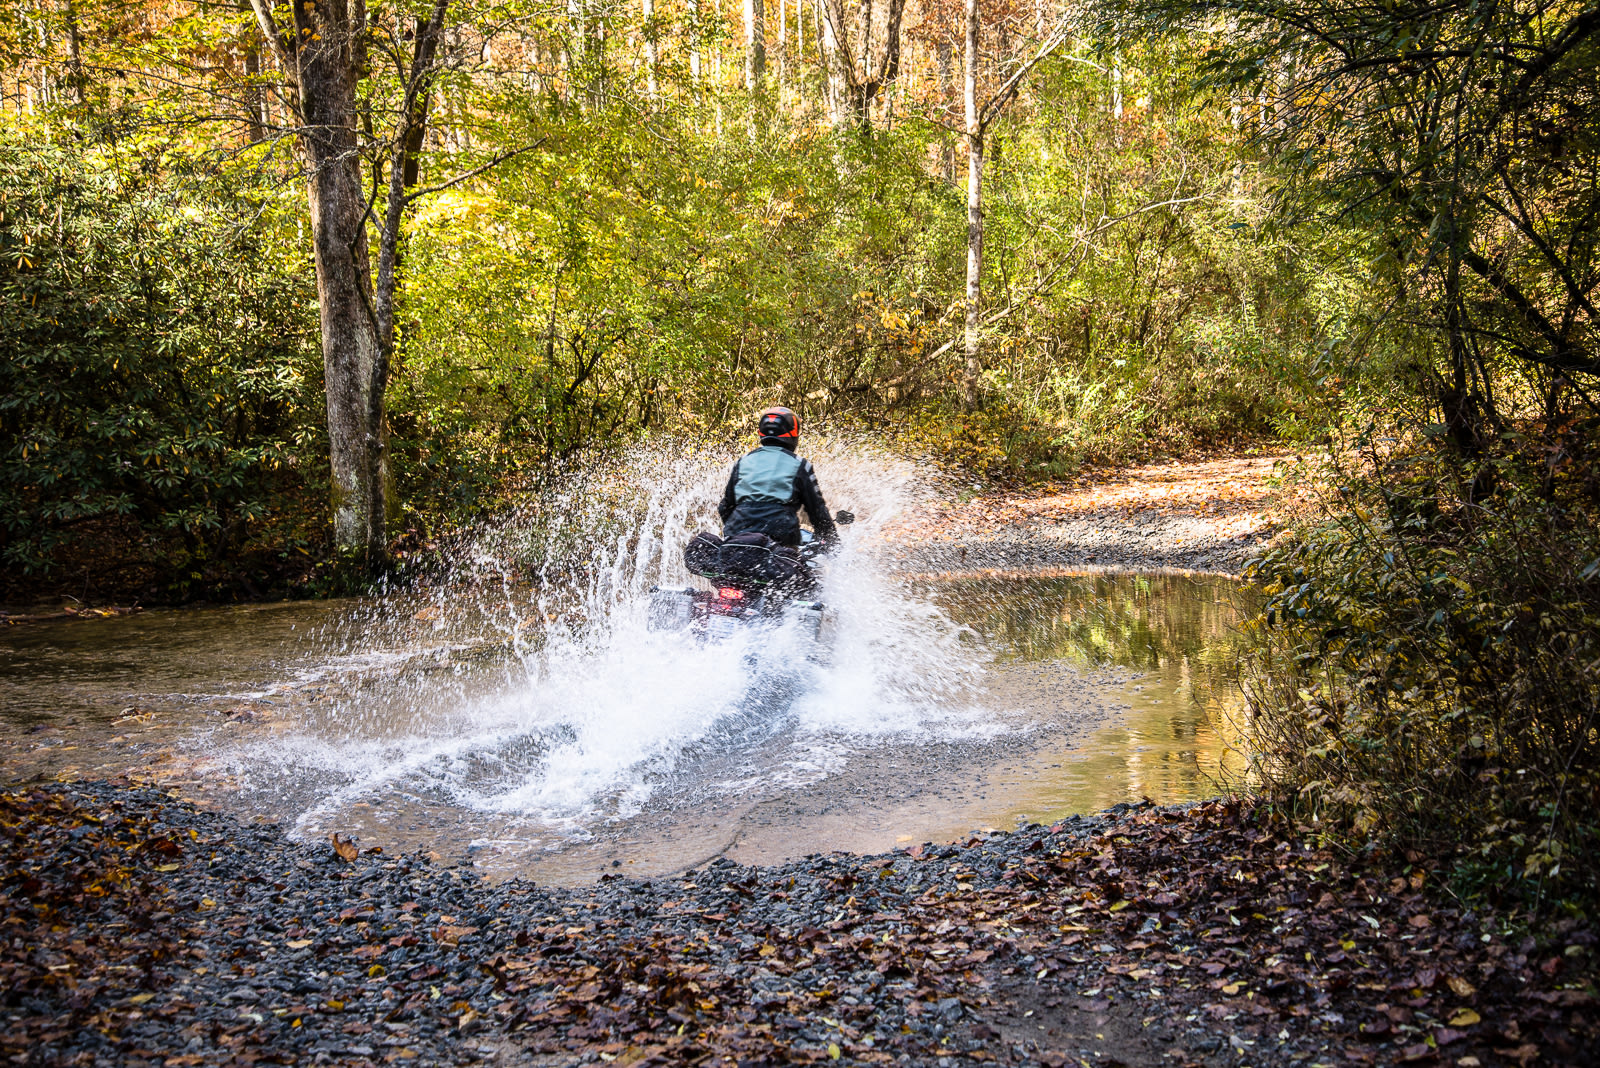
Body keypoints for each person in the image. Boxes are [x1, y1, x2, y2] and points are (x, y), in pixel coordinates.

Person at [718, 406, 839, 550]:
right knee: (802, 569)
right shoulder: (800, 464)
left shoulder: (743, 461)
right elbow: (817, 511)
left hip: (738, 537)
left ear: (761, 432)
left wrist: (739, 529)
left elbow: (725, 507)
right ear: (793, 432)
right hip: (780, 538)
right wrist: (833, 544)